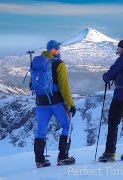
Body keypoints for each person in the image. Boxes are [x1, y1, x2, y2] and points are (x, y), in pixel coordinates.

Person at [33, 40, 76, 168]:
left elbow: (32, 83)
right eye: (57, 49)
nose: (59, 51)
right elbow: (64, 87)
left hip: (41, 102)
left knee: (41, 129)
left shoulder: (37, 63)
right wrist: (71, 104)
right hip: (56, 101)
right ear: (53, 50)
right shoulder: (59, 64)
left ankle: (40, 160)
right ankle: (63, 157)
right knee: (68, 126)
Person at [98, 39, 123, 162]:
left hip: (121, 95)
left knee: (113, 123)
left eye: (119, 47)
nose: (117, 49)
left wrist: (105, 77)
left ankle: (110, 152)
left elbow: (111, 73)